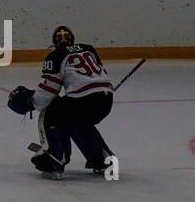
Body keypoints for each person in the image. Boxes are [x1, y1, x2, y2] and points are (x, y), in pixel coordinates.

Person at [7, 26, 116, 180]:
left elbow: (48, 92)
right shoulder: (89, 49)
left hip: (83, 99)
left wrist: (30, 101)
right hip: (106, 100)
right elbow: (99, 75)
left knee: (52, 112)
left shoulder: (55, 55)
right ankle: (103, 159)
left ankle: (54, 160)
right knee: (75, 120)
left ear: (54, 42)